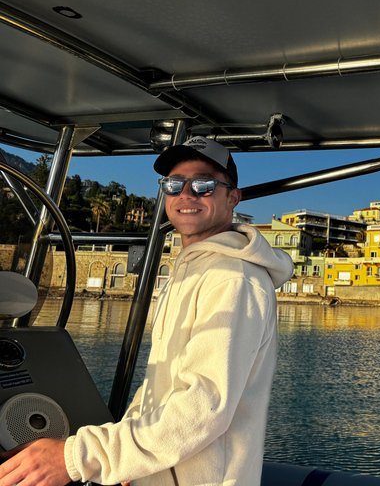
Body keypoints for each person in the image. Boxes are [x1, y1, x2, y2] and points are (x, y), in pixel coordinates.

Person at [0, 137, 293, 486]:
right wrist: (123, 461)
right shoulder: (194, 270)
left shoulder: (234, 280)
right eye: (173, 184)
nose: (186, 194)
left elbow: (202, 408)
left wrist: (74, 458)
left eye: (203, 184)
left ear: (232, 197)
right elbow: (161, 387)